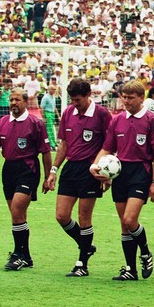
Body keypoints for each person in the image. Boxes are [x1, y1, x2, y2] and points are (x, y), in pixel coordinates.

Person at [90, 80, 154, 280]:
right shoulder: (117, 120)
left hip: (141, 172)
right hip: (120, 173)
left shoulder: (153, 121)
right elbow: (108, 148)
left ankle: (146, 251)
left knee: (130, 219)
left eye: (131, 97)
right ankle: (130, 269)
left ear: (142, 98)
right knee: (124, 225)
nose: (126, 101)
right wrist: (95, 166)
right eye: (124, 97)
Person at [47, 78, 113, 277]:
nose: (75, 104)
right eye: (72, 100)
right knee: (61, 216)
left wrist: (106, 174)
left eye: (78, 100)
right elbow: (64, 144)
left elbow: (109, 145)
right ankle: (86, 245)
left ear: (88, 95)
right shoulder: (68, 112)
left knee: (85, 218)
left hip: (90, 170)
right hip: (70, 168)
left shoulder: (102, 114)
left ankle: (82, 263)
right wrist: (53, 170)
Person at [0, 88, 53, 270]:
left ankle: (18, 255)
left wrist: (49, 176)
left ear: (26, 102)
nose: (13, 103)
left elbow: (45, 152)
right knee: (17, 214)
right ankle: (25, 255)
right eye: (11, 100)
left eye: (17, 100)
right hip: (8, 169)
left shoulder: (35, 123)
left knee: (17, 209)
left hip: (28, 168)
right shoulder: (3, 122)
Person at [40, 85, 59, 150]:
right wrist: (44, 117)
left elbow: (55, 107)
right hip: (47, 114)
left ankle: (52, 143)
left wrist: (58, 115)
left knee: (51, 129)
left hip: (52, 114)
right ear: (49, 89)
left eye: (54, 89)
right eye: (53, 89)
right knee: (50, 130)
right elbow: (42, 108)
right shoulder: (46, 97)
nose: (54, 91)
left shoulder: (53, 97)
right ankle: (52, 145)